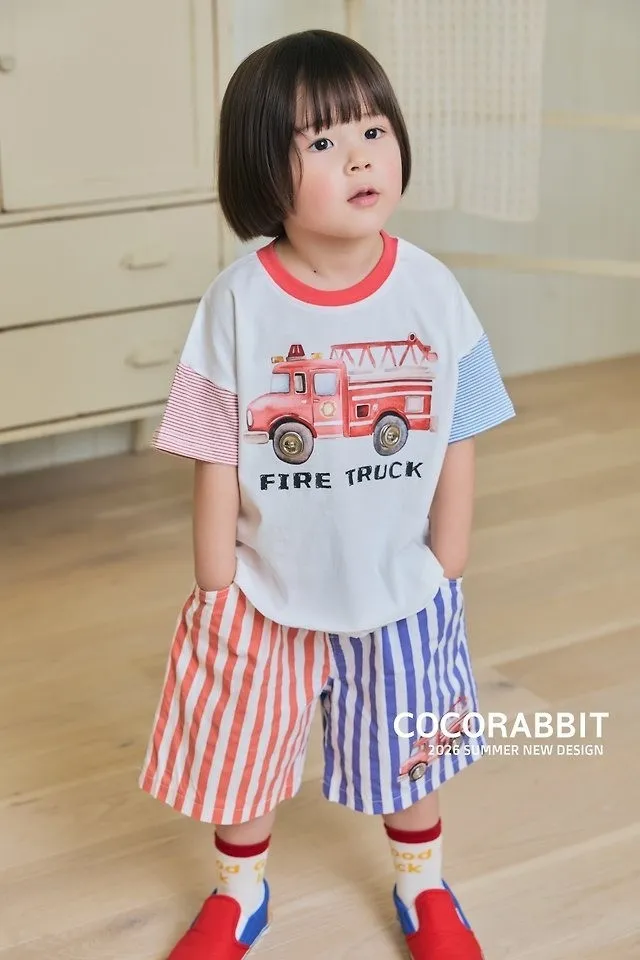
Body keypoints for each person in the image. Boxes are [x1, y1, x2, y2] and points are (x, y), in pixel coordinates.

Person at [139, 28, 515, 960]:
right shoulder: (239, 300)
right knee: (240, 751)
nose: (359, 156)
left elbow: (458, 423)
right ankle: (239, 894)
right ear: (263, 171)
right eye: (321, 140)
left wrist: (449, 556)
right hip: (264, 588)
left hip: (400, 581)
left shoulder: (432, 289)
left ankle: (423, 884)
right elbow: (214, 445)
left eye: (373, 130)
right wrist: (216, 578)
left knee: (411, 743)